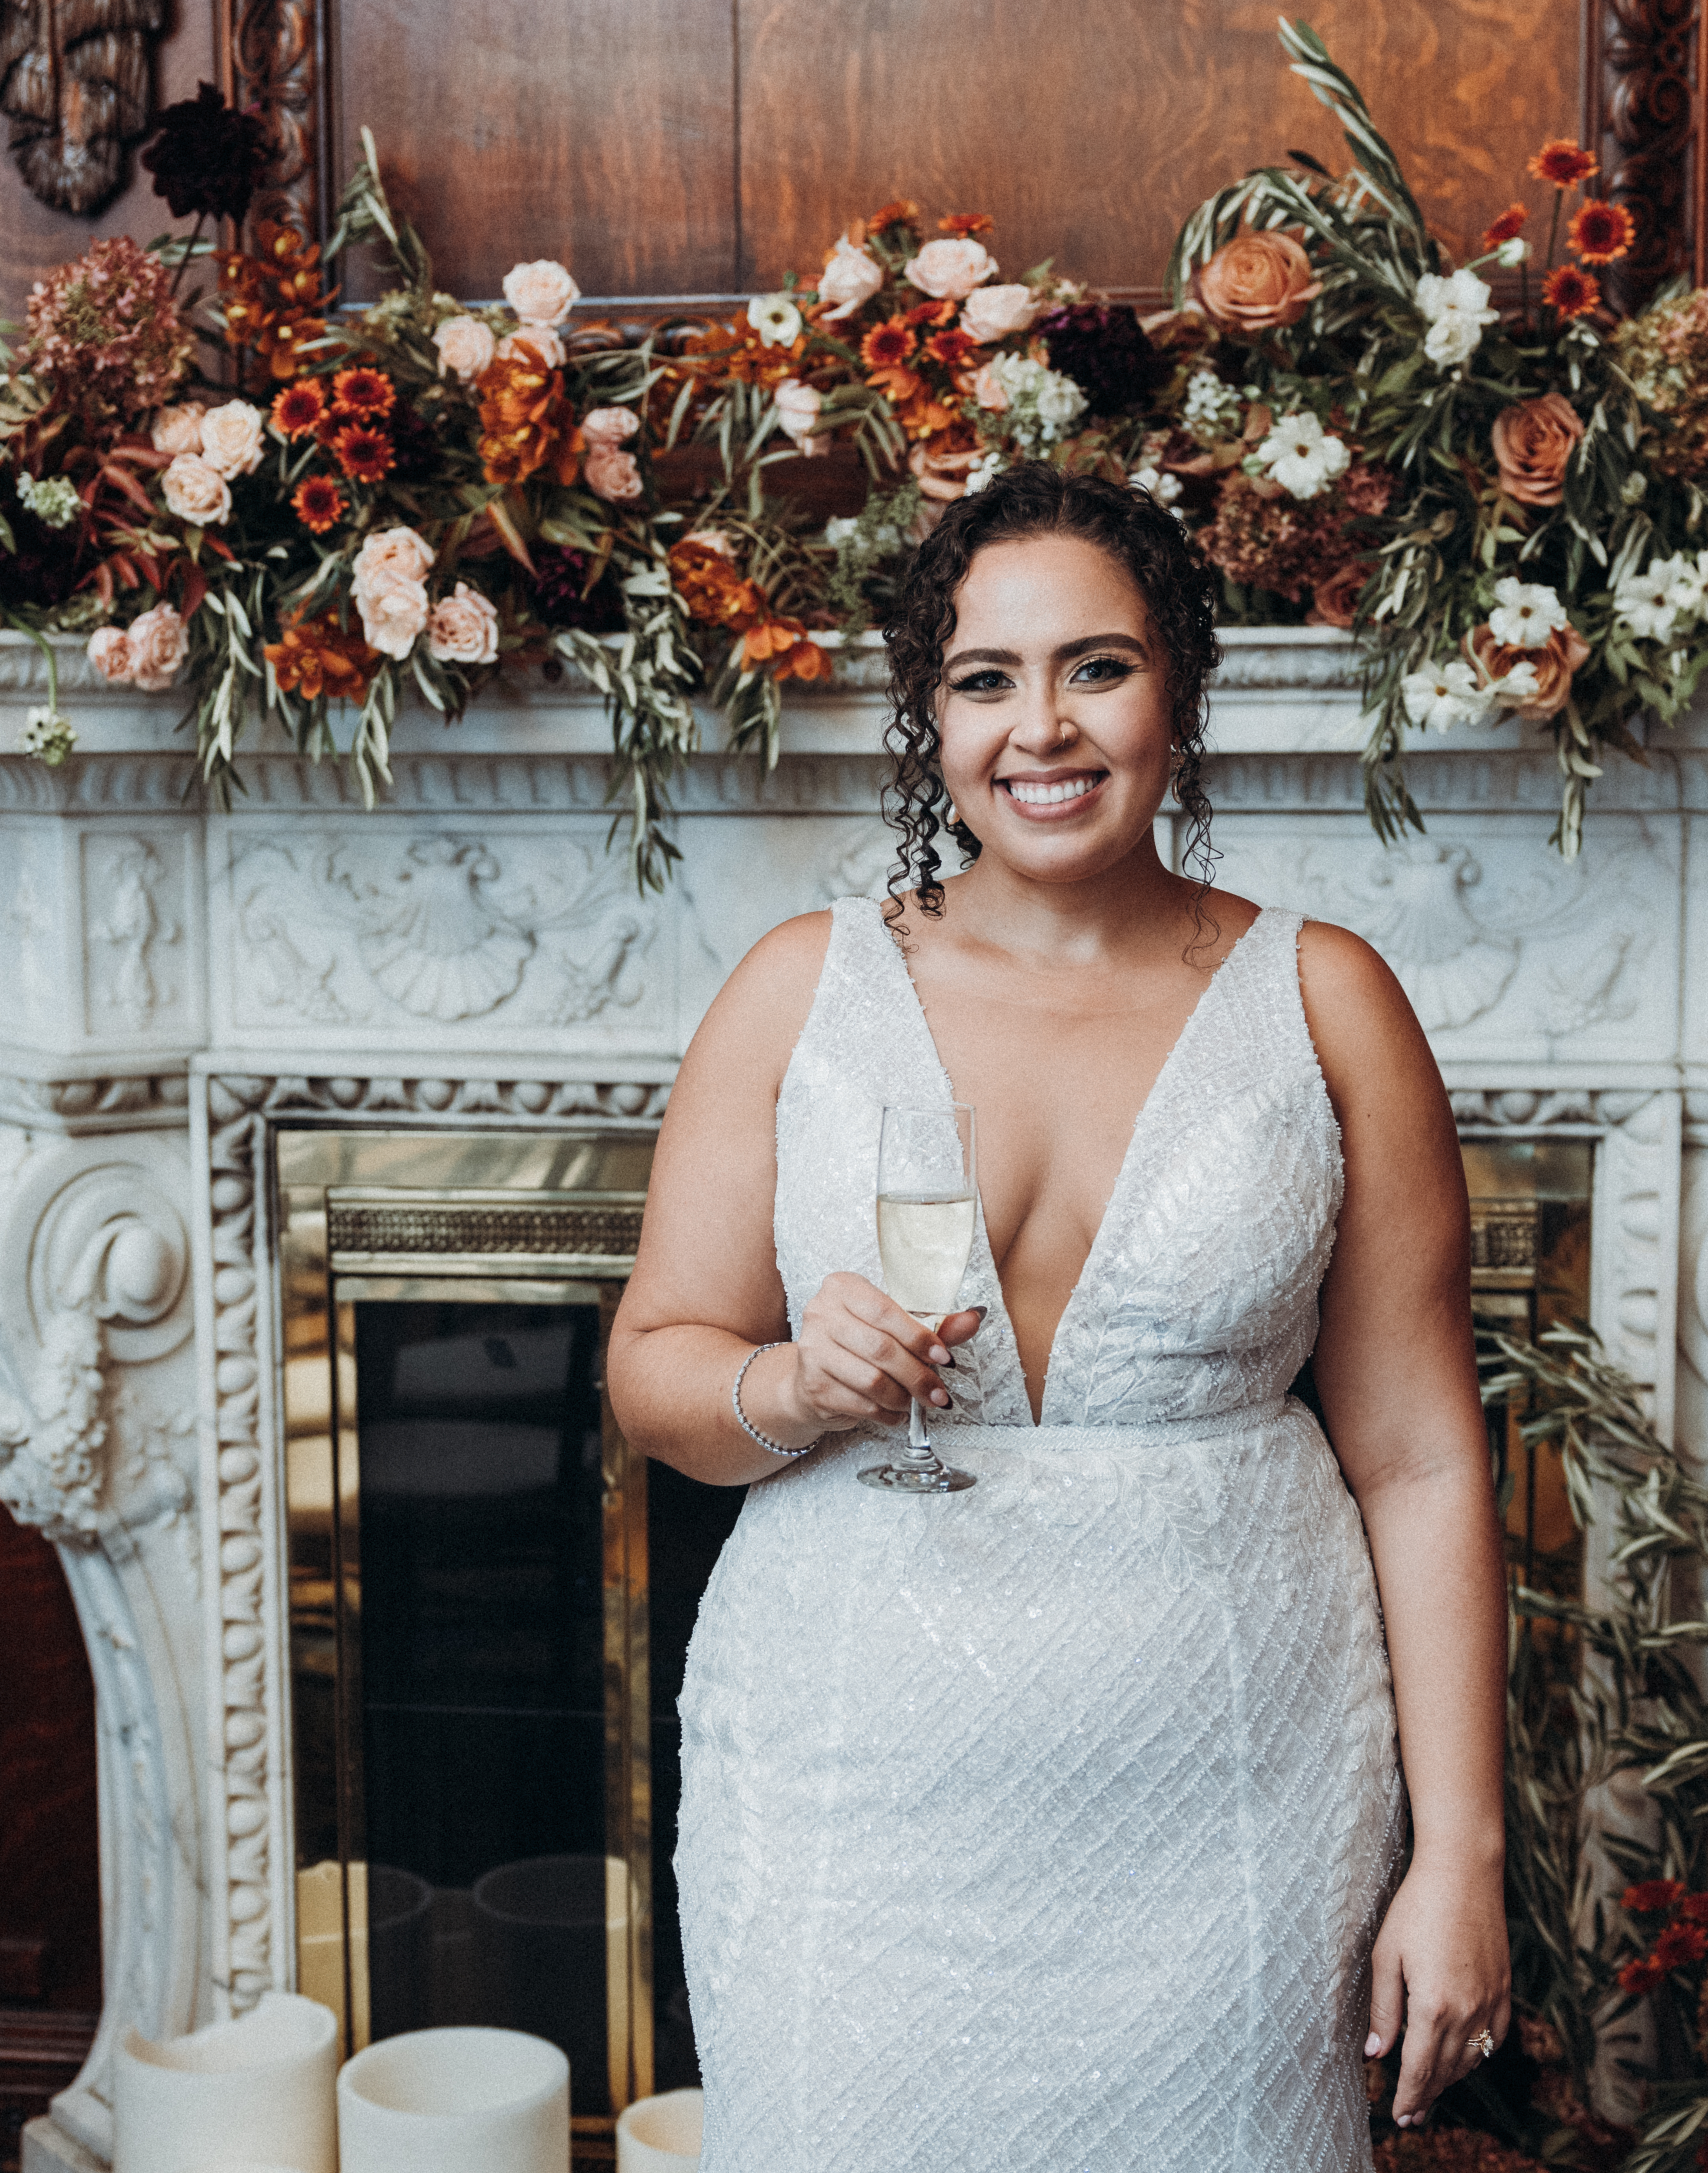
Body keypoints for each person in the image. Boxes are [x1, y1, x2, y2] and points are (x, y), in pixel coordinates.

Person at [604, 466, 1508, 2169]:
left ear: (1176, 684)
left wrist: (1457, 1851)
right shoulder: (799, 989)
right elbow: (655, 1375)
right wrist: (792, 1383)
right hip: (850, 1783)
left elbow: (1416, 1456)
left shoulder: (1325, 1001)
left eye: (1095, 667)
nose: (1043, 727)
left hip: (1234, 1782)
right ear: (928, 719)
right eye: (983, 679)